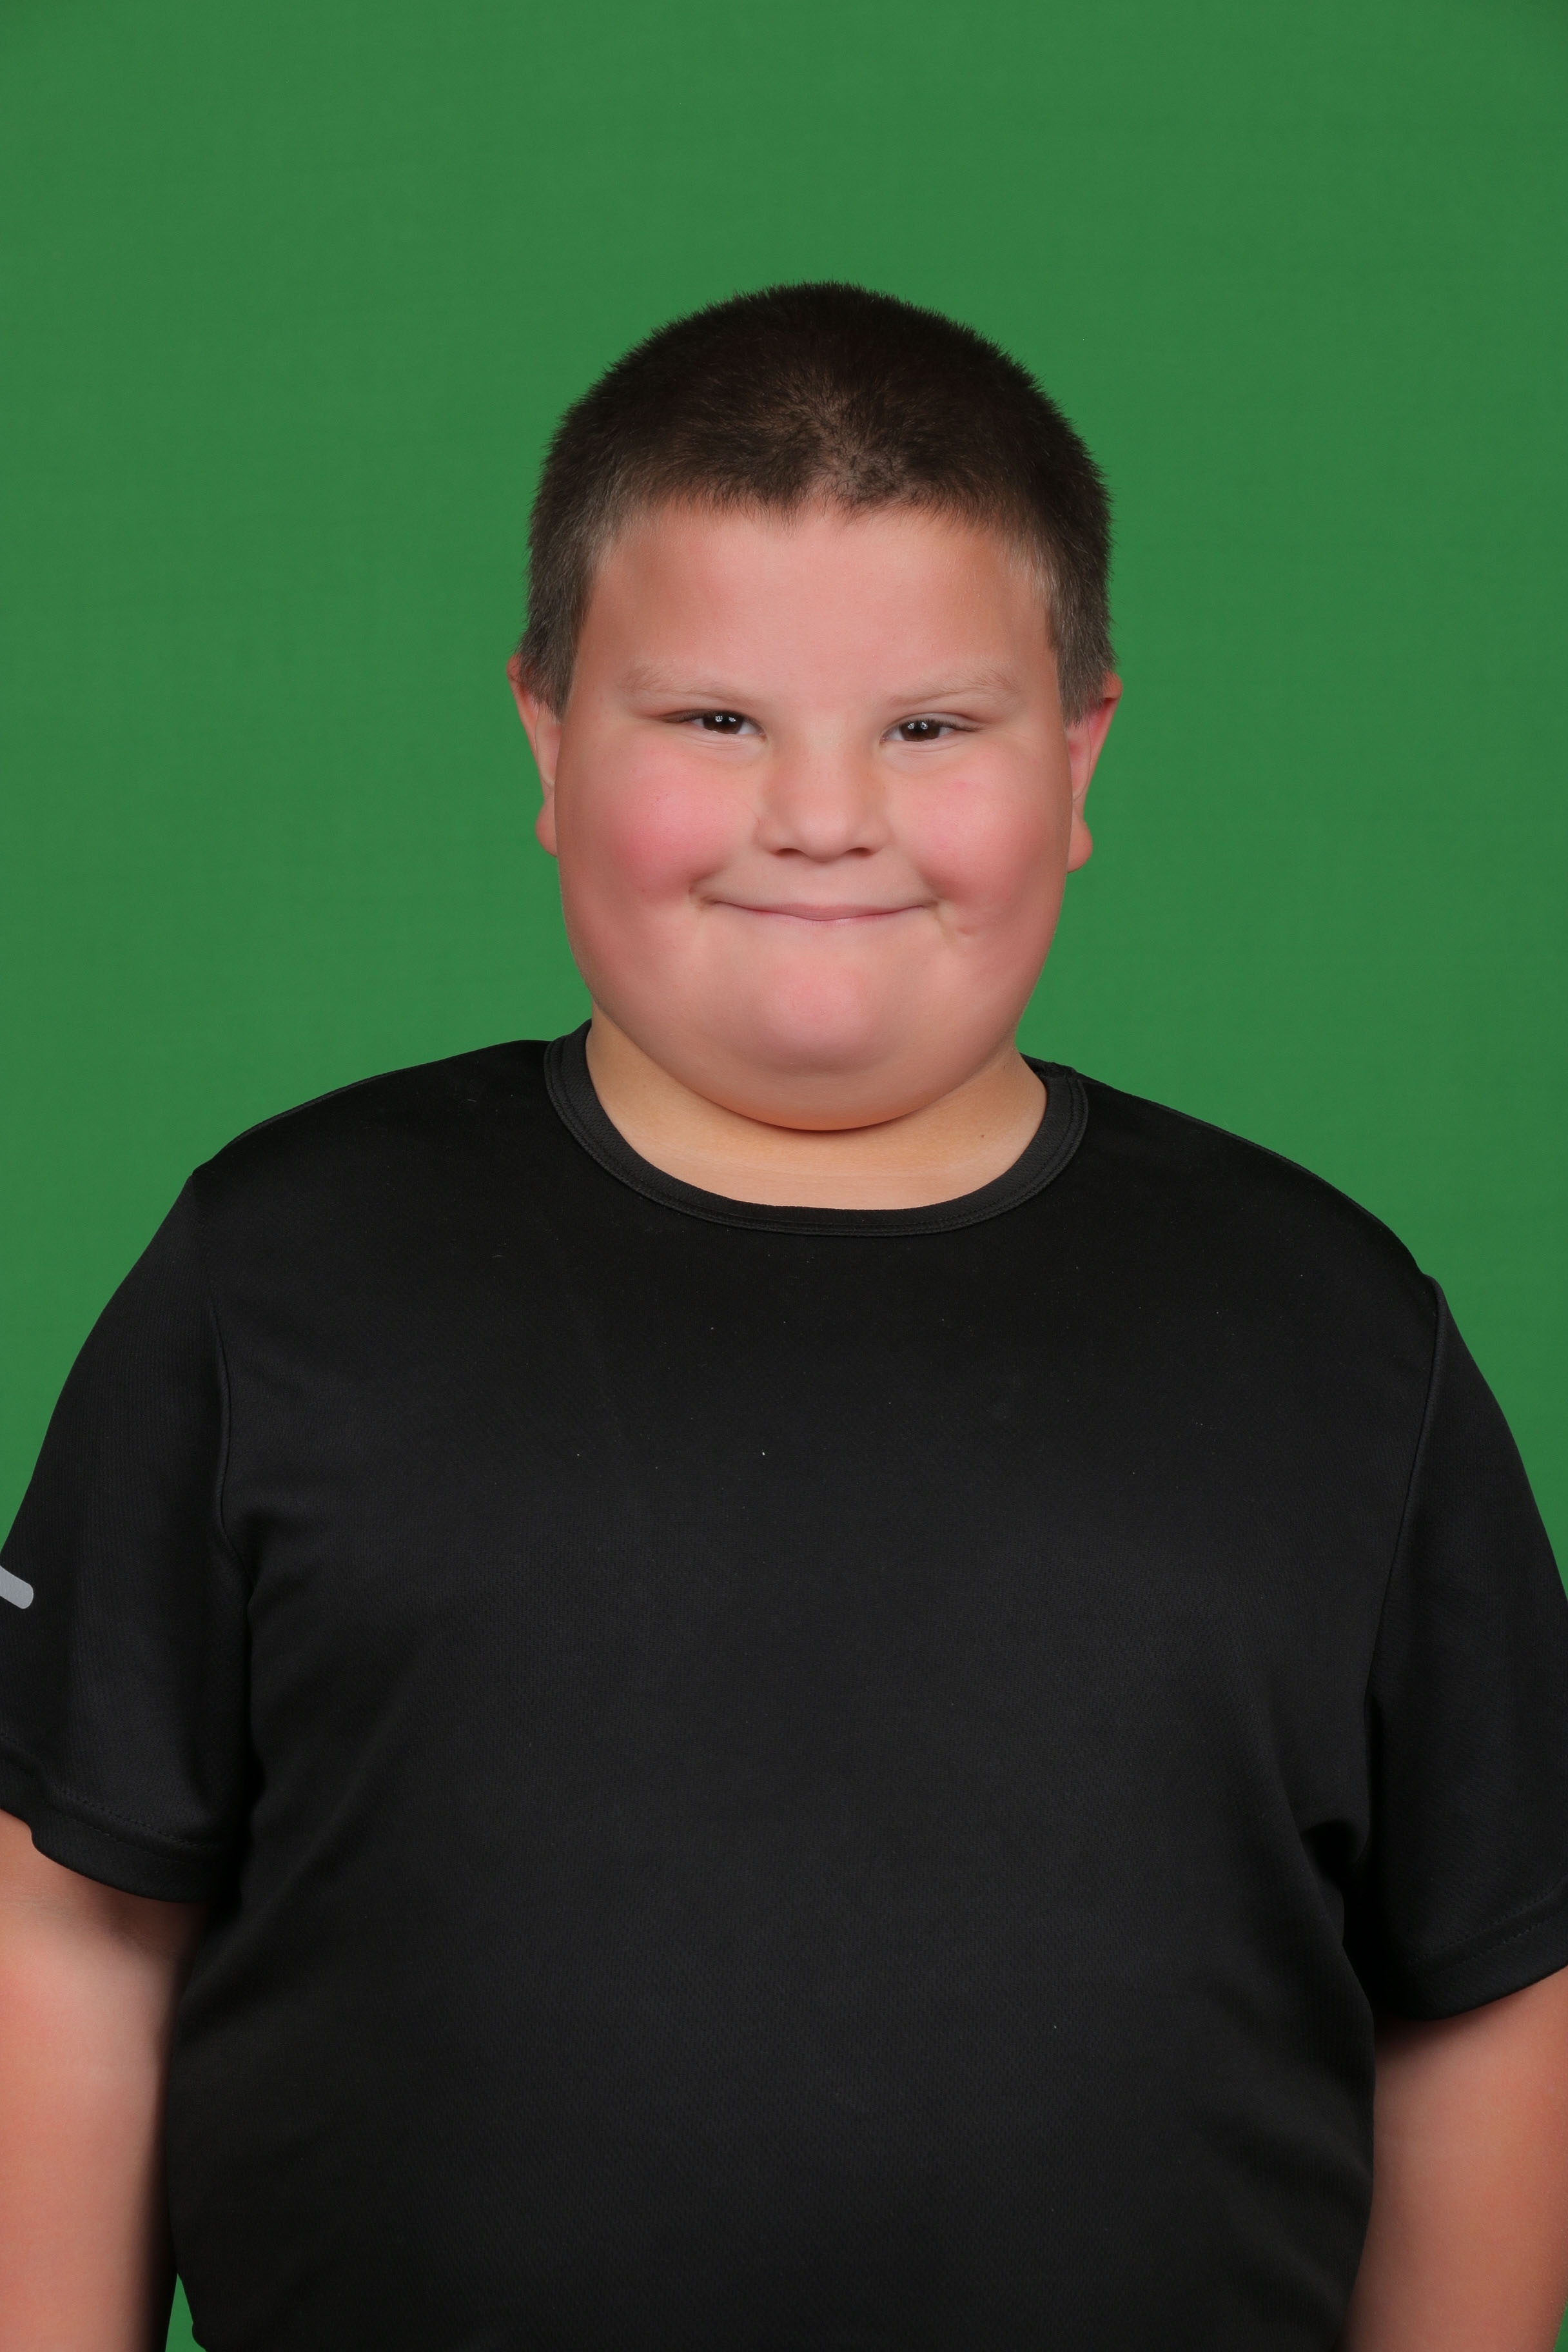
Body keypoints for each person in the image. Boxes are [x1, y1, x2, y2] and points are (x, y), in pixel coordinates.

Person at [1, 282, 1566, 2352]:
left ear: (1080, 753)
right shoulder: (277, 1270)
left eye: (931, 727)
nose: (823, 816)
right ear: (548, 739)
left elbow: (1487, 1978)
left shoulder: (1335, 1337)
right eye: (714, 721)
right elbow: (78, 1926)